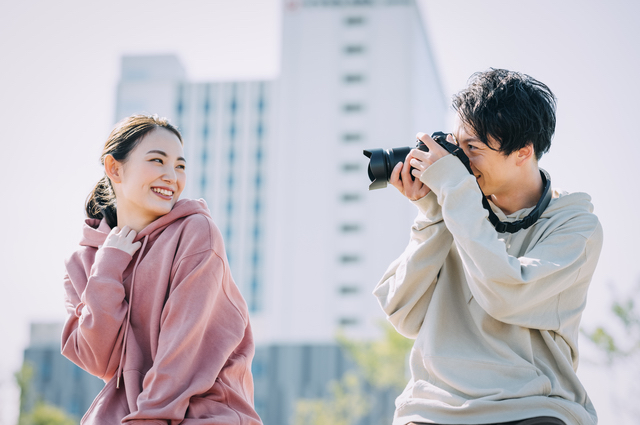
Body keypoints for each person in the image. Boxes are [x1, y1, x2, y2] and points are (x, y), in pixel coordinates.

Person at [373, 69, 603, 425]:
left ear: (522, 153)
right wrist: (434, 216)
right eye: (456, 145)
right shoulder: (456, 204)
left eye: (473, 150)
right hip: (433, 410)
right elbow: (403, 313)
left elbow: (506, 295)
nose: (458, 162)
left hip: (532, 410)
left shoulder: (575, 227)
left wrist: (454, 191)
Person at [61, 114, 262, 425]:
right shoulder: (84, 261)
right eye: (158, 161)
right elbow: (98, 360)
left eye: (180, 166)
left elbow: (184, 353)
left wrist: (147, 419)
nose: (172, 176)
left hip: (204, 415)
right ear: (115, 168)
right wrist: (108, 268)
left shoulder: (195, 232)